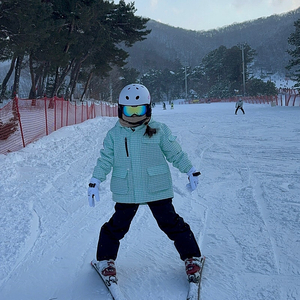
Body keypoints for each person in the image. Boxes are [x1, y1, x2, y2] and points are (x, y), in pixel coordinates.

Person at [88, 83, 203, 284]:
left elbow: (175, 153)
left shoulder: (159, 130)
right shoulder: (114, 135)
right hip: (128, 190)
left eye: (138, 110)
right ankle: (105, 261)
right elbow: (105, 159)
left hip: (156, 187)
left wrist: (189, 169)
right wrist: (95, 179)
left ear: (147, 108)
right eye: (129, 110)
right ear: (120, 109)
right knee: (116, 227)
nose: (133, 116)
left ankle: (192, 257)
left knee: (172, 223)